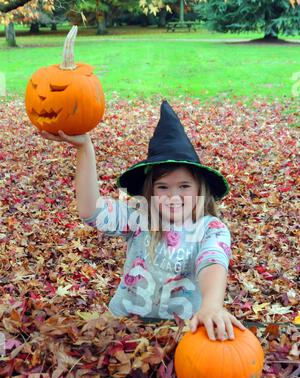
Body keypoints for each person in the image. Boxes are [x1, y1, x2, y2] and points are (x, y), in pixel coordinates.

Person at [38, 100, 246, 341]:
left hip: (182, 333)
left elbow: (212, 262)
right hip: (124, 328)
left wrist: (211, 305)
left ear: (201, 189)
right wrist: (85, 149)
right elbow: (90, 211)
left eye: (184, 186)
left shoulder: (211, 229)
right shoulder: (139, 218)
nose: (173, 196)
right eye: (163, 187)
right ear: (150, 191)